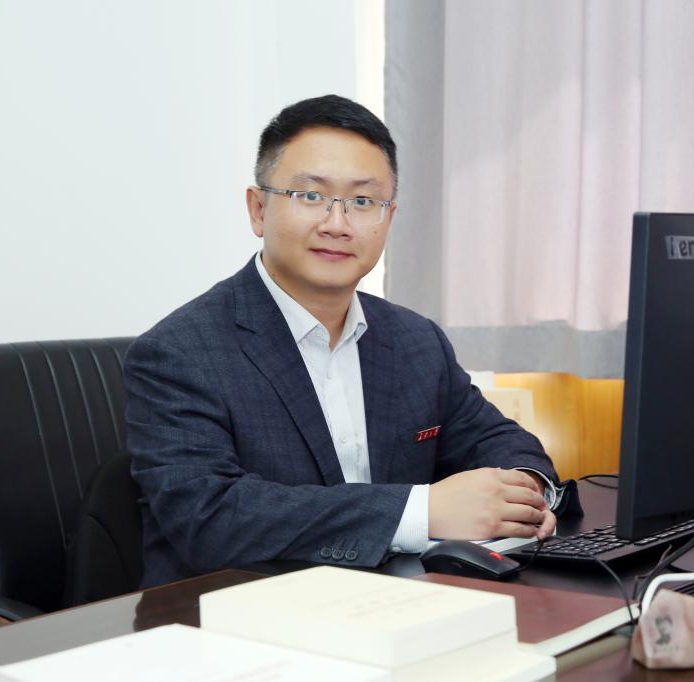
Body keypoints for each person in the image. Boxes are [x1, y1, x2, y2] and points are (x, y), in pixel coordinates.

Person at [124, 94, 573, 587]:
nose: (337, 224)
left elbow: (498, 440)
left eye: (362, 202)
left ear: (389, 218)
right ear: (258, 209)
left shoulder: (415, 341)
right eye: (310, 196)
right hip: (236, 613)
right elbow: (210, 517)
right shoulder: (178, 353)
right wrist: (421, 511)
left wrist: (523, 491)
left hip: (397, 602)